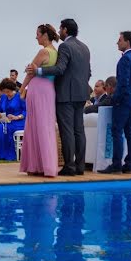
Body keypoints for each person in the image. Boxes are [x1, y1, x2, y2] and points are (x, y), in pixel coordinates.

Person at [27, 18, 92, 177]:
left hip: (66, 95)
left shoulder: (65, 46)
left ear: (65, 30)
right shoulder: (85, 48)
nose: (58, 32)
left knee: (67, 131)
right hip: (81, 94)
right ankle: (80, 166)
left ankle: (69, 166)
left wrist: (39, 71)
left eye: (60, 29)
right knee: (79, 131)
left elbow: (60, 68)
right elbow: (88, 72)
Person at [20, 24, 61, 177]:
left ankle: (37, 165)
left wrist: (21, 88)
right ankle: (45, 165)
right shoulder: (55, 52)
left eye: (37, 34)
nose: (36, 37)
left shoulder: (44, 51)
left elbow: (30, 72)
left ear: (44, 35)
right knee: (45, 125)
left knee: (36, 126)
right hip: (49, 89)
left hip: (38, 89)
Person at [101, 31, 131, 174]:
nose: (117, 42)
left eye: (120, 40)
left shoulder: (125, 60)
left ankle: (116, 164)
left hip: (123, 101)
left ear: (128, 42)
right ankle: (130, 164)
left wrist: (115, 99)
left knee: (117, 132)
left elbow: (122, 83)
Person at [0, 78, 26, 160]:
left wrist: (17, 117)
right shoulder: (4, 97)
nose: (6, 94)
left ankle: (5, 153)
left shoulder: (19, 96)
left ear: (12, 89)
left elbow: (26, 111)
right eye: (4, 92)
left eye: (8, 91)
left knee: (1, 129)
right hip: (6, 122)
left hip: (19, 122)